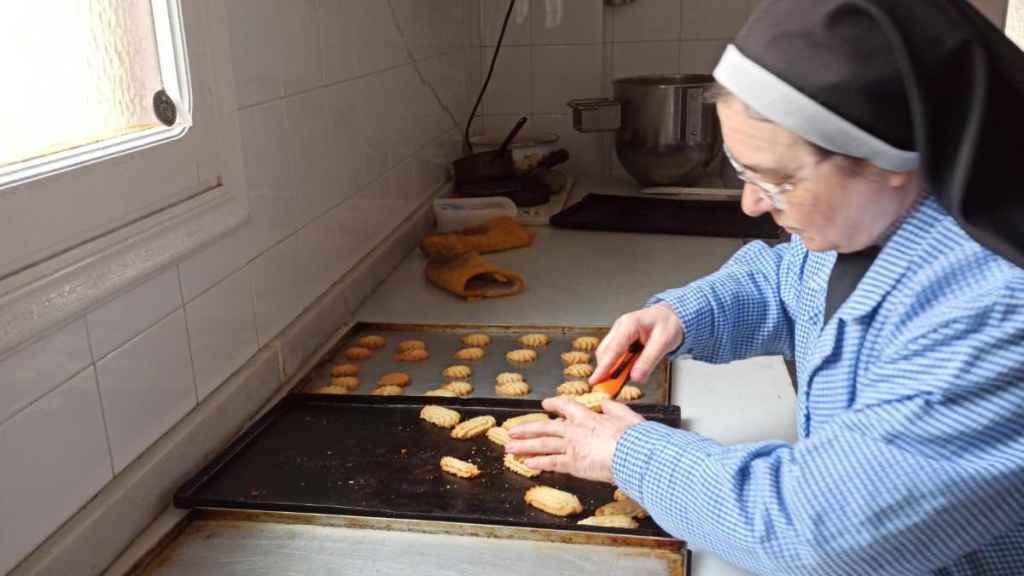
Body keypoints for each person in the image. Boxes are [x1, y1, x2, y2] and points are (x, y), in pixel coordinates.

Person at [505, 1, 1024, 574]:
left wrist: (629, 454)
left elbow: (823, 527)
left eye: (776, 181)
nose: (752, 204)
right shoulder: (876, 212)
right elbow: (788, 281)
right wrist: (685, 314)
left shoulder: (996, 313)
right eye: (741, 173)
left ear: (885, 158)